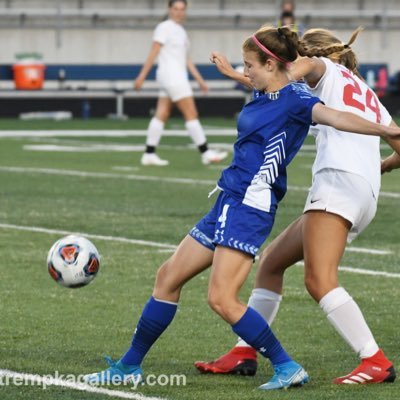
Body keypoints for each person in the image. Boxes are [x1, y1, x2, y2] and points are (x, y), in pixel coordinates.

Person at [83, 26, 400, 391]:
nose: (244, 71)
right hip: (227, 199)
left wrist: (384, 131)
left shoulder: (298, 99)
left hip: (250, 205)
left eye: (249, 64)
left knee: (221, 298)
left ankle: (287, 365)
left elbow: (337, 117)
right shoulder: (267, 90)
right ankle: (129, 366)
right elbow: (270, 81)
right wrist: (237, 74)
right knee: (167, 277)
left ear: (271, 63)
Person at [195, 28, 398, 385]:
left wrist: (240, 75)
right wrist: (382, 165)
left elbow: (282, 79)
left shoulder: (319, 66)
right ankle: (244, 351)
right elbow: (396, 140)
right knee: (272, 262)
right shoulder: (365, 92)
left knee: (319, 279)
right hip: (363, 192)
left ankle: (375, 359)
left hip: (337, 184)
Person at [134, 0, 227, 166]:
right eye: (175, 8)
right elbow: (153, 52)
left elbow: (187, 60)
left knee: (161, 114)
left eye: (182, 9)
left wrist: (200, 81)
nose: (179, 12)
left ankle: (149, 154)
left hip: (172, 78)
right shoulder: (164, 27)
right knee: (191, 113)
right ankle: (206, 152)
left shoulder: (181, 31)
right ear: (169, 9)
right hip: (172, 77)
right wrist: (141, 76)